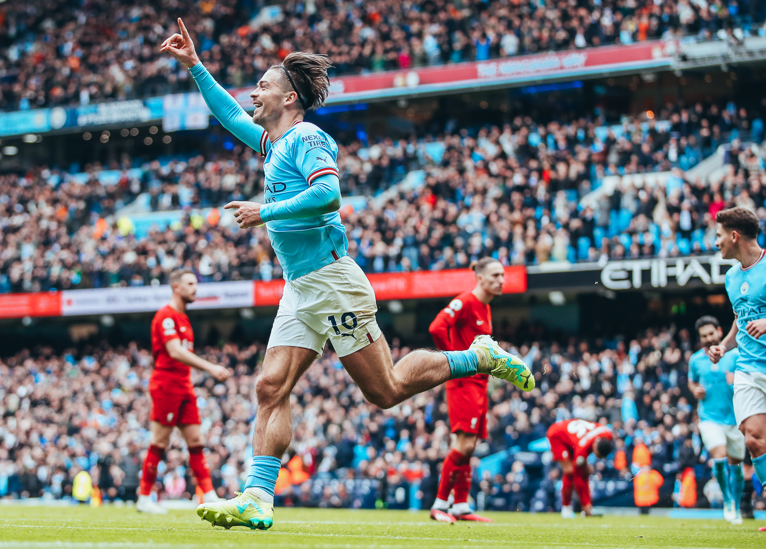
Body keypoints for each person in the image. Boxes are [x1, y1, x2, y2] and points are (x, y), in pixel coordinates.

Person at [160, 18, 535, 530]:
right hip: (300, 286)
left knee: (385, 391)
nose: (255, 92)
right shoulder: (272, 145)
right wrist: (195, 66)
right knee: (270, 387)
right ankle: (257, 497)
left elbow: (329, 194)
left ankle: (477, 355)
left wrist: (263, 212)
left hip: (332, 280)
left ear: (289, 98)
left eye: (264, 85)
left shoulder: (307, 136)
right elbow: (229, 114)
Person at [137, 268, 232, 514]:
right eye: (190, 283)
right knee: (160, 441)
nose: (195, 288)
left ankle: (209, 496)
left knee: (196, 441)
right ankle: (144, 497)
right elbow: (175, 351)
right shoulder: (165, 316)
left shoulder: (184, 319)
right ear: (176, 287)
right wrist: (210, 367)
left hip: (184, 385)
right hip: (166, 384)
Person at [707, 207, 766, 533]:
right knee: (754, 440)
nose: (715, 241)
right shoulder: (732, 277)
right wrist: (725, 344)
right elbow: (741, 316)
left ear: (734, 236)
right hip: (748, 367)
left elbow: (761, 318)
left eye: (718, 235)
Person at [428, 258, 505, 523]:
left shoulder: (484, 307)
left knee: (470, 446)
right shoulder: (467, 301)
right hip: (464, 382)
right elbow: (437, 326)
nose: (501, 280)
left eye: (503, 275)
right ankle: (440, 504)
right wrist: (455, 361)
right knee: (462, 445)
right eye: (495, 275)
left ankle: (460, 505)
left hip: (479, 384)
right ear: (480, 278)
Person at [687, 315, 745, 524]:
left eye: (711, 333)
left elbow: (749, 379)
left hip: (735, 418)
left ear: (720, 332)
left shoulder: (735, 355)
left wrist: (737, 380)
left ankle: (735, 505)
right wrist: (696, 391)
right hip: (709, 418)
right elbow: (692, 382)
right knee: (719, 457)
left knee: (736, 465)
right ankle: (727, 499)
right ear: (700, 339)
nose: (708, 338)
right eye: (704, 336)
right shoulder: (695, 360)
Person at [545, 419, 615, 518]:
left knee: (584, 472)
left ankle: (586, 508)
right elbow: (578, 476)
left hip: (572, 438)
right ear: (594, 446)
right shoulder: (583, 448)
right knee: (570, 471)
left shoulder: (607, 434)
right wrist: (585, 466)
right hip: (557, 434)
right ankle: (566, 508)